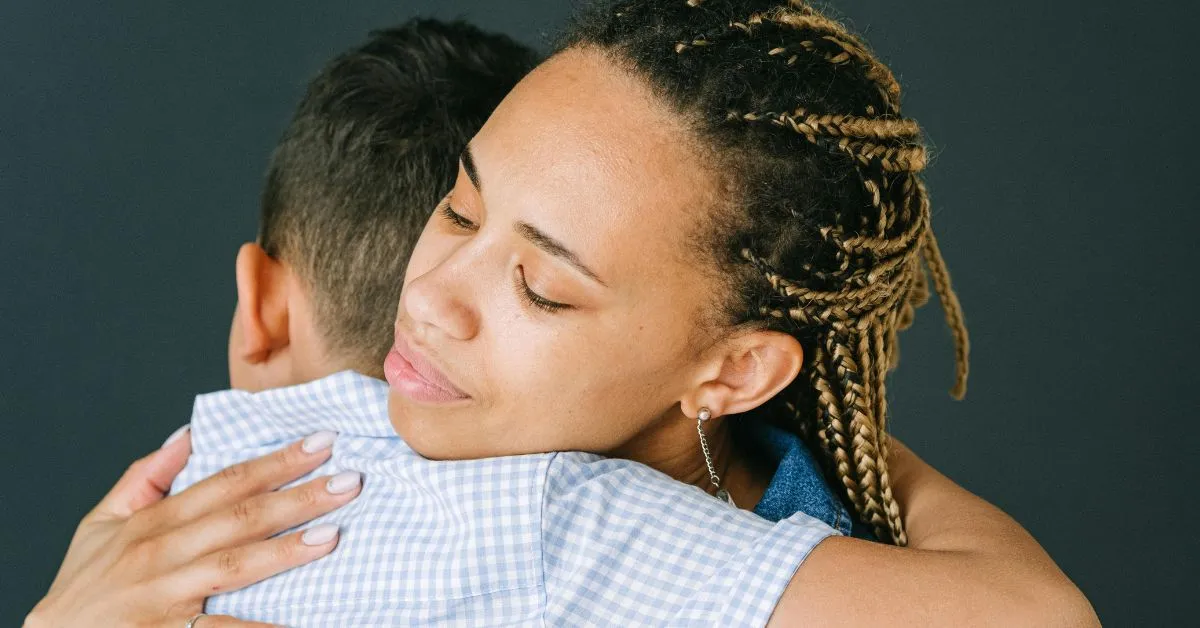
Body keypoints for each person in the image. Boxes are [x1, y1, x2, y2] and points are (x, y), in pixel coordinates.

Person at [29, 2, 1100, 626]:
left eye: (540, 287)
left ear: (735, 370)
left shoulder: (555, 520)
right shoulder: (491, 497)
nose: (427, 297)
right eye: (456, 208)